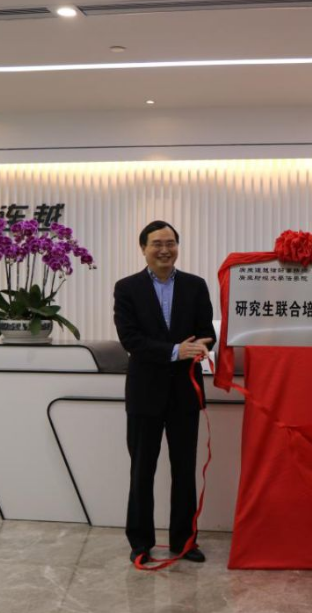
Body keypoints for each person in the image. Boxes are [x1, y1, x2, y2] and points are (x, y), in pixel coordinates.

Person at [113, 220, 216, 565]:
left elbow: (207, 332)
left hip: (185, 393)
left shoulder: (195, 285)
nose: (164, 250)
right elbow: (131, 339)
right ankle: (140, 542)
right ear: (143, 248)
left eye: (170, 243)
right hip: (145, 394)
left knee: (184, 470)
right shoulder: (127, 288)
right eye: (156, 243)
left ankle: (184, 542)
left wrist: (202, 345)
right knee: (142, 471)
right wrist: (175, 351)